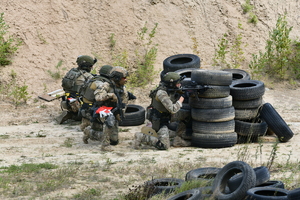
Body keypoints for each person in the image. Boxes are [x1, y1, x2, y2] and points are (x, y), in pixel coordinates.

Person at [134, 72, 191, 150]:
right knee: (164, 146)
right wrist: (181, 99)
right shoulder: (161, 93)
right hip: (159, 119)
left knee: (187, 114)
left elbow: (179, 91)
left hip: (168, 116)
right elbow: (173, 109)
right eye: (177, 83)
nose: (179, 85)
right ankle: (142, 137)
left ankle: (178, 138)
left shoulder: (170, 89)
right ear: (171, 84)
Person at [87, 66, 129, 151]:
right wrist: (110, 95)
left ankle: (90, 132)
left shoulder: (122, 88)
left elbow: (124, 102)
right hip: (101, 109)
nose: (126, 80)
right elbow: (98, 97)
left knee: (114, 141)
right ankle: (105, 145)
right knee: (110, 119)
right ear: (117, 78)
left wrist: (121, 113)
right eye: (124, 78)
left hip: (113, 110)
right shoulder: (106, 85)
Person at [58, 55, 97, 124]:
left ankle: (72, 114)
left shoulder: (72, 72)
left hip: (68, 101)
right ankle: (78, 116)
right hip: (78, 103)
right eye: (91, 66)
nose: (91, 68)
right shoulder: (87, 76)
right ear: (86, 66)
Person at [80, 65, 113, 143]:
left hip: (85, 106)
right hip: (91, 108)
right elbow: (101, 97)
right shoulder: (100, 83)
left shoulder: (93, 79)